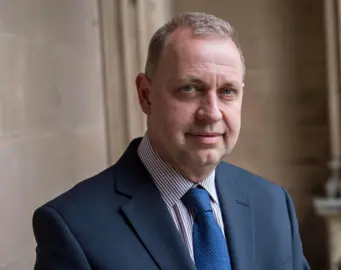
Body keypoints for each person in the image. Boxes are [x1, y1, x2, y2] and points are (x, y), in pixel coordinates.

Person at [32, 12, 310, 270]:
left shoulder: (273, 204)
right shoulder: (72, 225)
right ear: (146, 95)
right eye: (189, 89)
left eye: (227, 91)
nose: (211, 112)